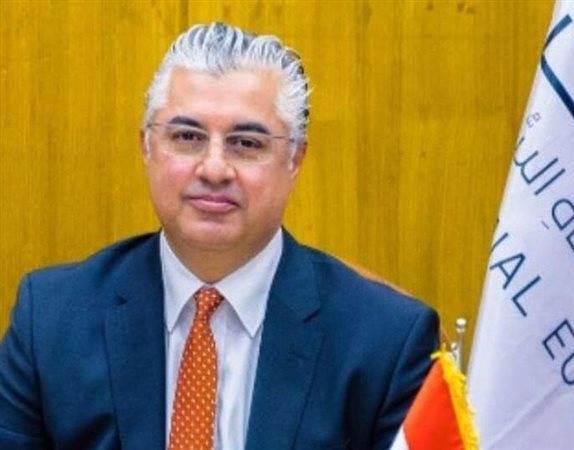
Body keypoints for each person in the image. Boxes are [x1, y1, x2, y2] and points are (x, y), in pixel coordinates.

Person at [0, 22, 439, 450]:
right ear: (147, 147)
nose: (213, 169)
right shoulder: (51, 320)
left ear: (294, 159)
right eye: (187, 137)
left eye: (246, 143)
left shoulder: (387, 340)